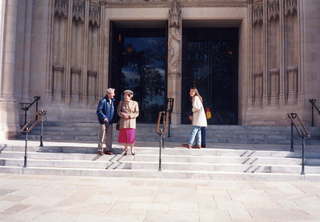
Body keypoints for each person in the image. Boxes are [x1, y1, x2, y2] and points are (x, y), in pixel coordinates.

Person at [117, 90, 139, 155]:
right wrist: (122, 114)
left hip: (131, 123)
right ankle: (126, 149)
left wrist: (130, 116)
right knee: (125, 137)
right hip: (123, 122)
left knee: (131, 136)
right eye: (124, 95)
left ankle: (132, 149)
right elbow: (118, 111)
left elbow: (137, 113)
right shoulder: (121, 103)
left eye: (126, 95)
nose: (125, 96)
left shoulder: (135, 103)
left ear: (130, 96)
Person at [96, 88, 116, 155]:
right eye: (113, 93)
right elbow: (99, 111)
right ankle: (100, 149)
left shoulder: (113, 101)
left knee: (109, 136)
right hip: (103, 121)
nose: (114, 94)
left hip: (110, 121)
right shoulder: (103, 101)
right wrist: (104, 117)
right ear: (108, 94)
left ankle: (108, 149)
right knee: (102, 135)